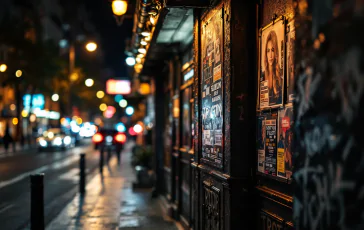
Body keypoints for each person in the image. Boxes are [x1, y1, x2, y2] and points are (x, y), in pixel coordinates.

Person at [262, 30, 283, 105]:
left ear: (276, 52)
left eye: (272, 50)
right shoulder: (262, 76)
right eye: (268, 51)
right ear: (265, 53)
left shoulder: (280, 76)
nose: (270, 55)